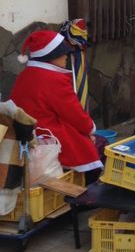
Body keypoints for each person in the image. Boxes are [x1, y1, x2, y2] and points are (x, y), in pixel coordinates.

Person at [10, 30, 104, 184]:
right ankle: (85, 194)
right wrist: (90, 130)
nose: (66, 56)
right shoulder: (53, 80)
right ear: (51, 56)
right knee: (98, 144)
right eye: (63, 53)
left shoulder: (25, 75)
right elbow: (74, 114)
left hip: (26, 136)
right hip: (49, 138)